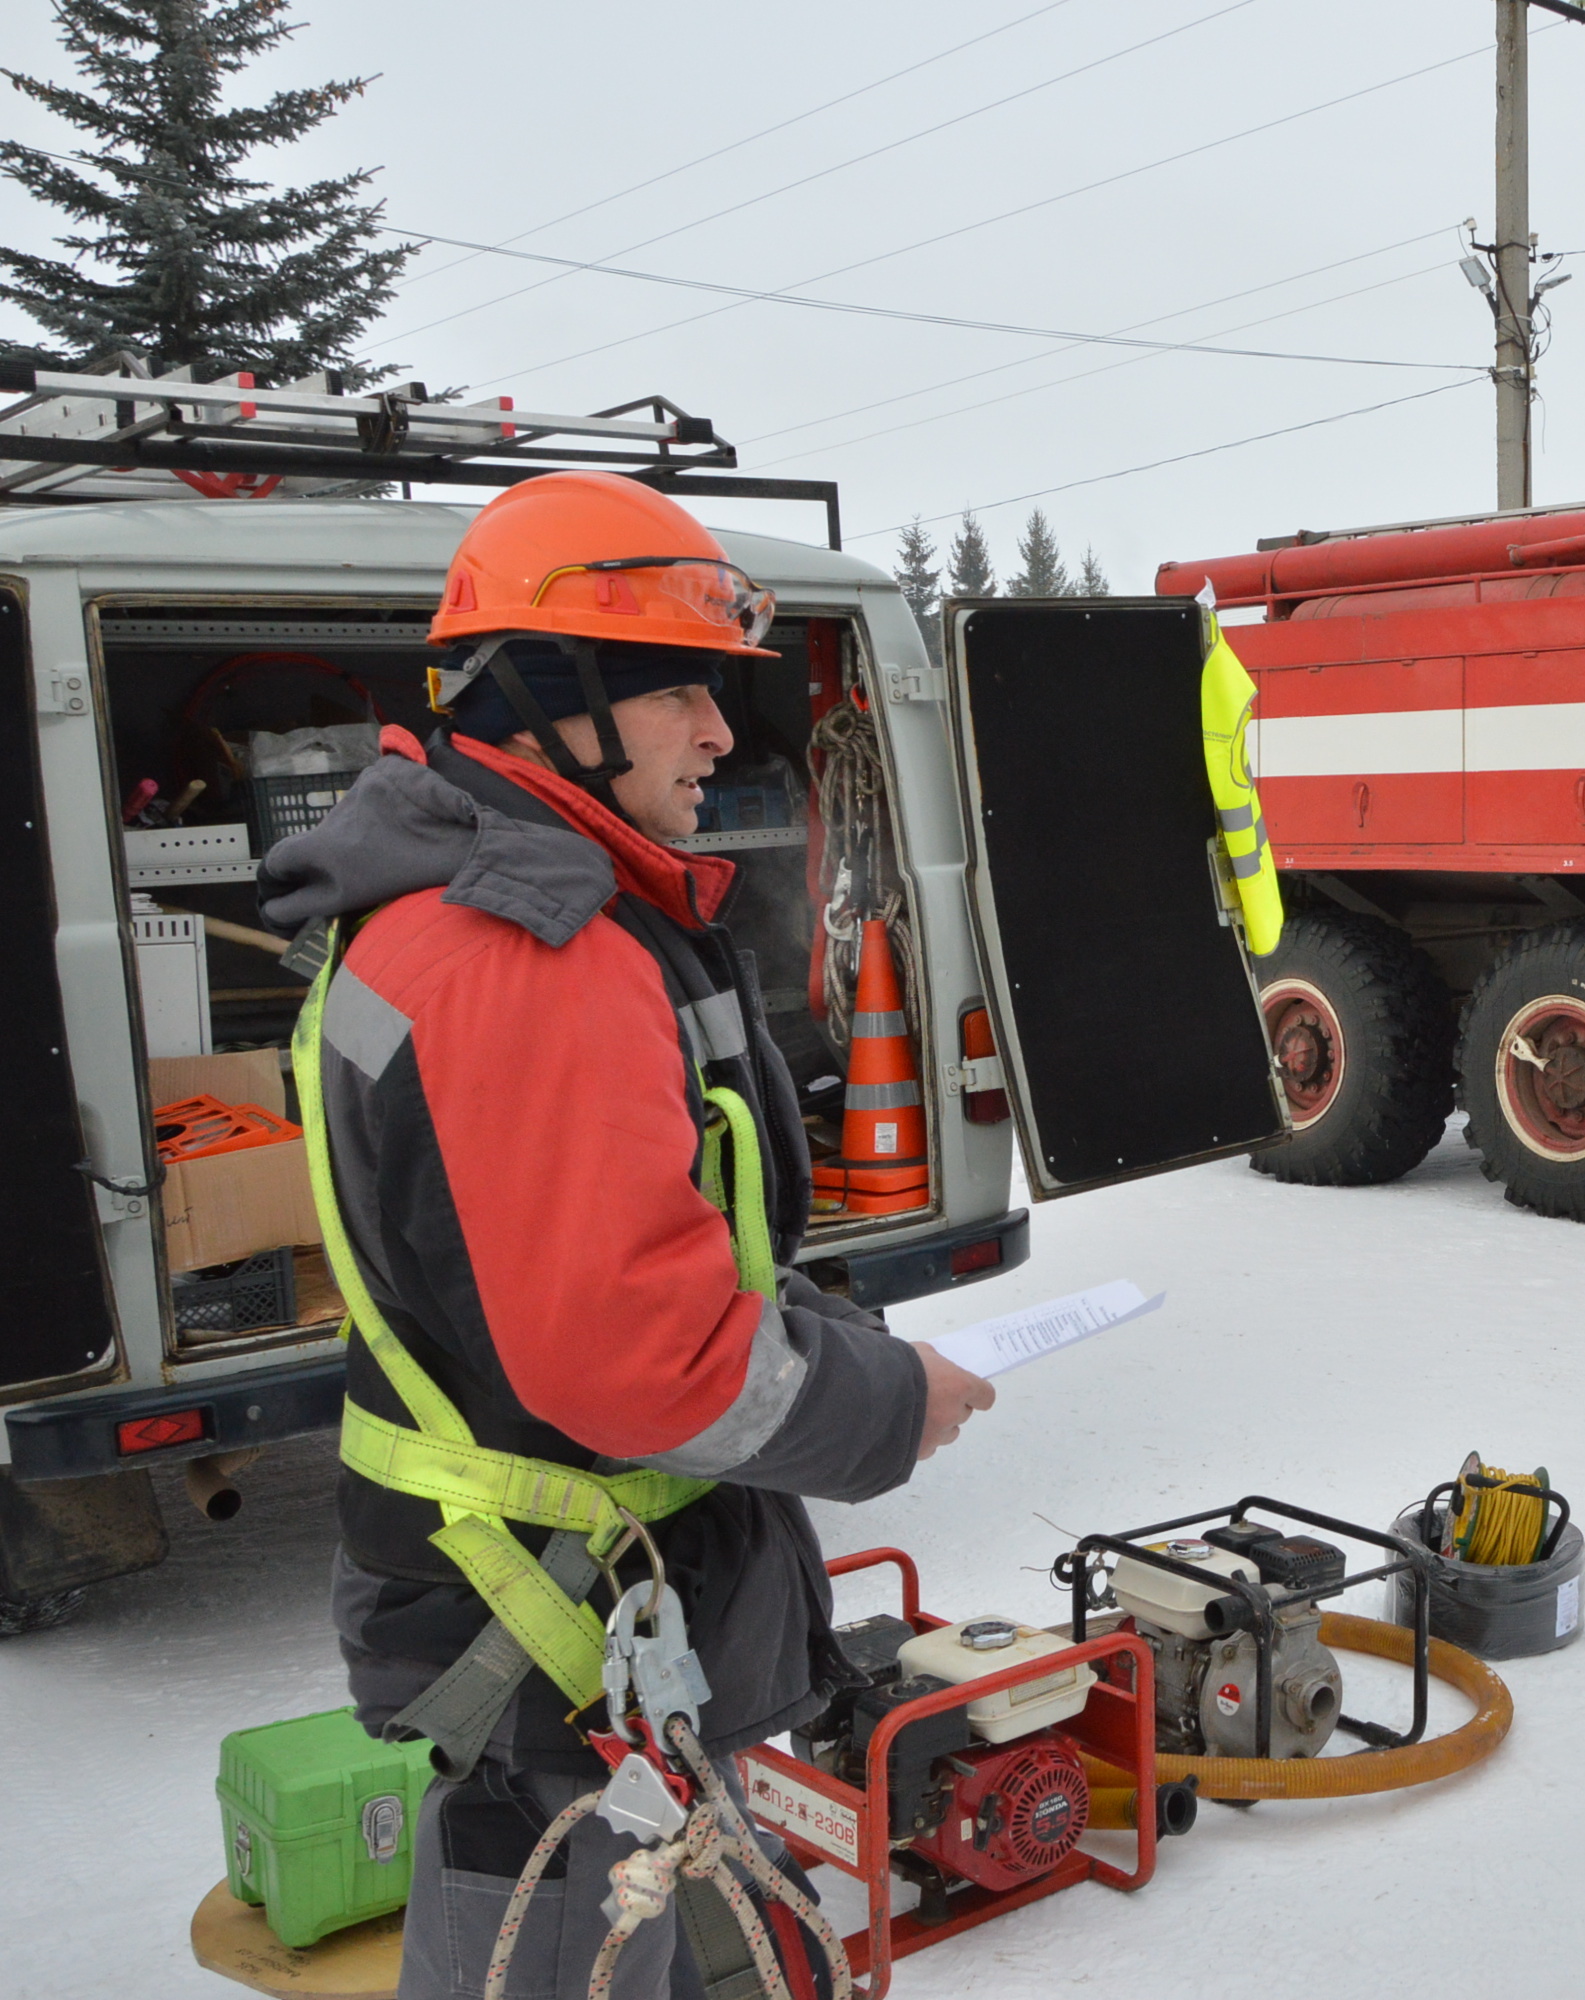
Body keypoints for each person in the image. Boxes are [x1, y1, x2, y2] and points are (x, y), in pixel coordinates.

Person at [258, 471, 995, 1997]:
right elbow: (635, 1351)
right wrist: (886, 1401)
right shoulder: (527, 950)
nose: (723, 737)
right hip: (550, 1632)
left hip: (547, 1603)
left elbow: (614, 1246)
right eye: (685, 693)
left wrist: (816, 1322)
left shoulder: (457, 908)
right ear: (551, 694)